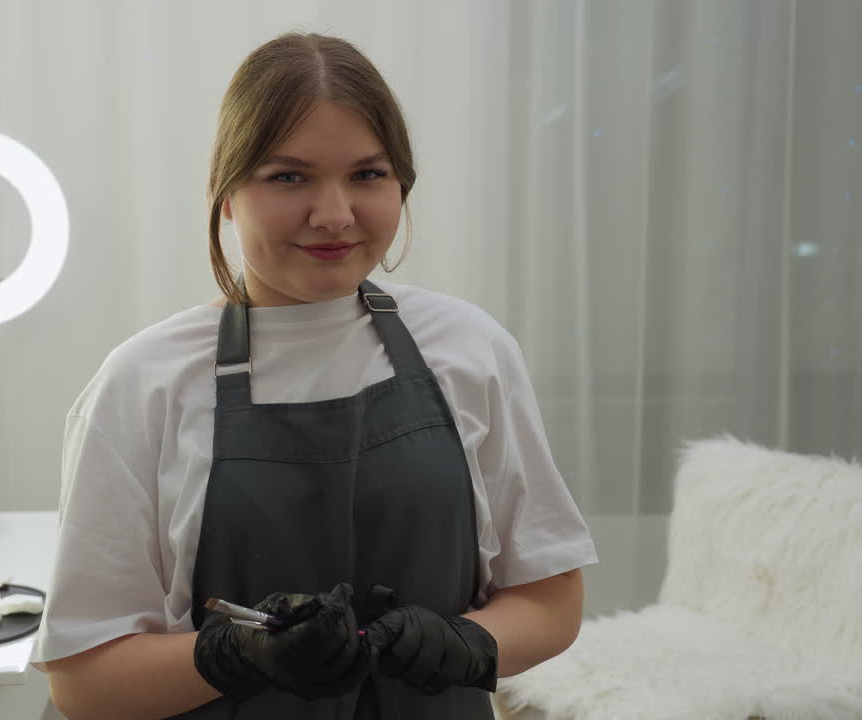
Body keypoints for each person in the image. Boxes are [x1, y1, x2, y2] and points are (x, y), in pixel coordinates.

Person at [31, 31, 598, 719]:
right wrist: (228, 656)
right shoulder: (142, 385)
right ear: (226, 192)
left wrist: (468, 643)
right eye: (288, 176)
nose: (334, 215)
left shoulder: (471, 349)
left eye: (367, 174)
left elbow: (551, 596)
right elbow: (84, 683)